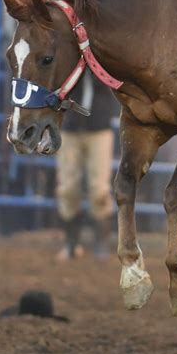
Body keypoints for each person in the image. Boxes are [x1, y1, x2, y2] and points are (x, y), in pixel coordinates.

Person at [55, 72, 118, 261]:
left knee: (99, 189)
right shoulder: (67, 51)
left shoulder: (101, 52)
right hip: (70, 127)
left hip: (99, 126)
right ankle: (71, 243)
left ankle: (101, 242)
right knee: (67, 188)